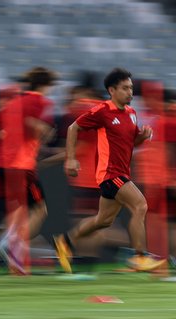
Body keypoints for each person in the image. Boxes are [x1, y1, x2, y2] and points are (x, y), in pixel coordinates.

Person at [54, 68, 167, 273]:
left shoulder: (131, 114)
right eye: (125, 88)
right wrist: (70, 159)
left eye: (131, 88)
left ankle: (65, 242)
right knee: (140, 205)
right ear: (112, 90)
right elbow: (73, 128)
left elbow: (131, 142)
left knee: (103, 221)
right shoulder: (102, 111)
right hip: (109, 173)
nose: (130, 92)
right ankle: (140, 257)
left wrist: (143, 136)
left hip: (121, 173)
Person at [0, 67, 56, 274]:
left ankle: (15, 265)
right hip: (22, 165)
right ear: (47, 85)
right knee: (40, 209)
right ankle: (11, 243)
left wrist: (11, 141)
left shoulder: (13, 102)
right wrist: (45, 134)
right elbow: (38, 126)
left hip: (2, 165)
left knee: (17, 212)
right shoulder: (41, 102)